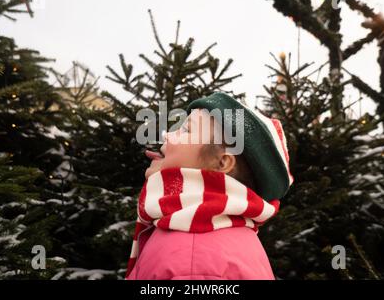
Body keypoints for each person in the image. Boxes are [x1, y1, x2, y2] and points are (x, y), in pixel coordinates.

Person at [125, 92, 294, 280]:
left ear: (222, 163)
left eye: (187, 130)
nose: (168, 135)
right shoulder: (198, 231)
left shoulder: (193, 263)